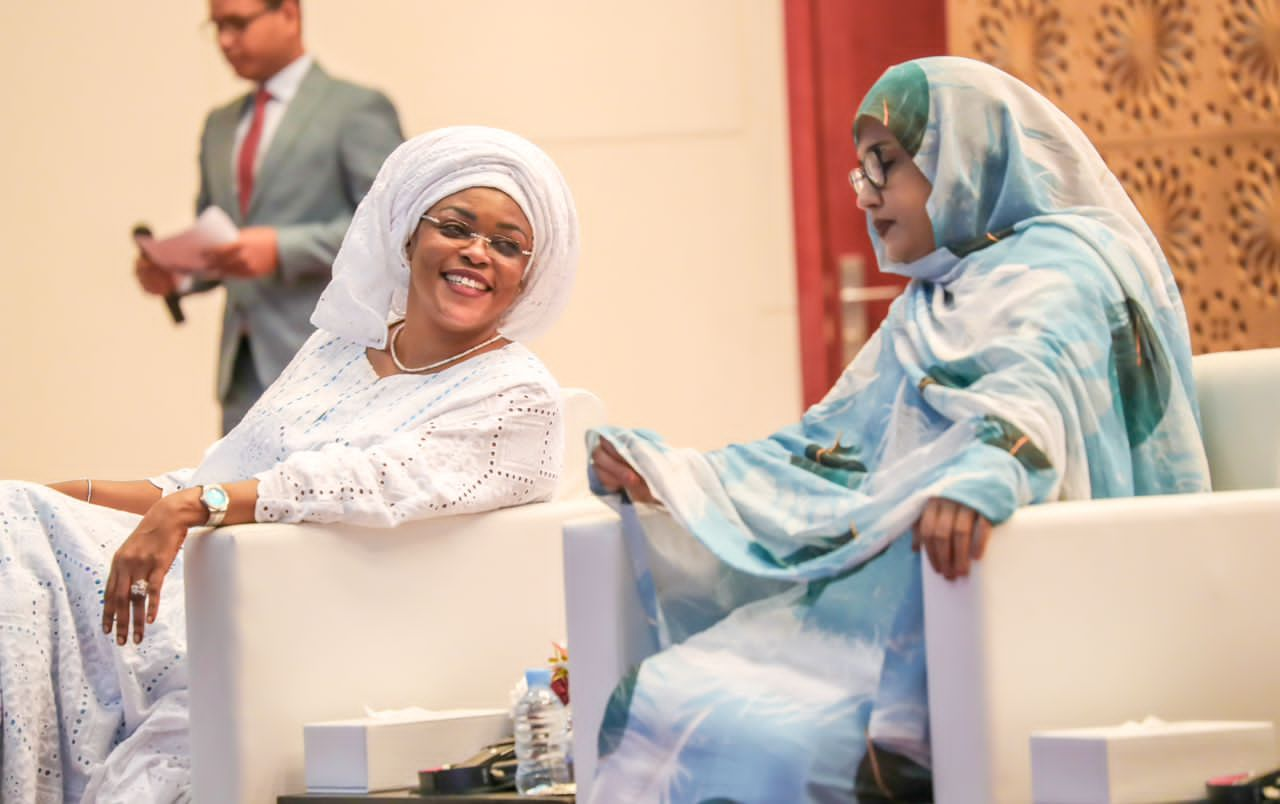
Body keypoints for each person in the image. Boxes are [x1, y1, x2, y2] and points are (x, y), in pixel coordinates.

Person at [586, 56, 1210, 802]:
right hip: (874, 602)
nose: (868, 194)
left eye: (888, 164)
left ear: (966, 154)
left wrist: (987, 474)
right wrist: (674, 476)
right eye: (862, 171)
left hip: (1000, 594)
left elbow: (1036, 389)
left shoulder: (1065, 267)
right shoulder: (935, 296)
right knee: (665, 692)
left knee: (773, 735)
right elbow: (829, 450)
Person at [2, 126, 579, 803]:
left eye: (507, 244)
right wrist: (73, 495)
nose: (477, 253)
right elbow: (216, 475)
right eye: (455, 227)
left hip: (298, 640)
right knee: (14, 513)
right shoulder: (337, 348)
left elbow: (371, 484)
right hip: (197, 592)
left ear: (528, 273)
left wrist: (195, 508)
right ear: (407, 234)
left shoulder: (517, 397)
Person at [134, 0, 404, 434]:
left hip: (332, 364)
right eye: (217, 27)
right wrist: (178, 277)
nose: (225, 41)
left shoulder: (355, 109)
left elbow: (394, 225)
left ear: (289, 14)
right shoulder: (219, 126)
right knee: (230, 499)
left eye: (238, 24)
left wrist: (281, 249)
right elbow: (220, 239)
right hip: (241, 373)